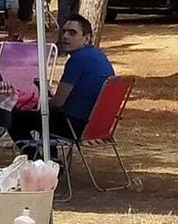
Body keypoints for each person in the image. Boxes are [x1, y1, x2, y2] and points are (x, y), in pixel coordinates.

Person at [8, 14, 114, 143]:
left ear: (86, 38)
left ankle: (36, 157)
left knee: (15, 119)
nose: (65, 36)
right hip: (98, 125)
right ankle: (51, 158)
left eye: (72, 33)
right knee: (47, 116)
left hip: (75, 125)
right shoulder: (98, 56)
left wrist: (40, 104)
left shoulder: (78, 60)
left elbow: (59, 102)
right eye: (64, 32)